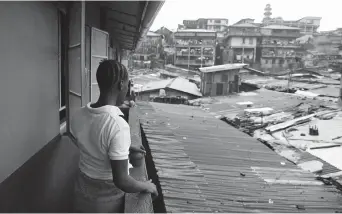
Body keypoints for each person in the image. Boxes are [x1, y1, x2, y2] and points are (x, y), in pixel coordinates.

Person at [70, 60, 158, 213]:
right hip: (105, 201)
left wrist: (124, 147)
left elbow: (94, 143)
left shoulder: (79, 114)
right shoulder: (117, 125)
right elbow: (122, 180)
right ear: (120, 85)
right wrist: (147, 185)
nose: (128, 89)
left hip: (81, 191)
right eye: (128, 84)